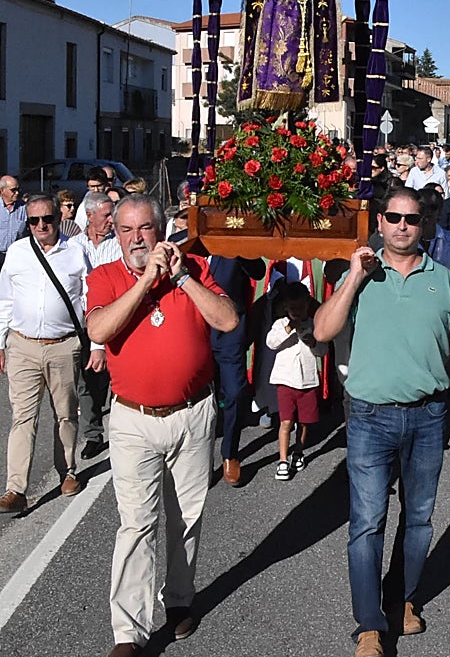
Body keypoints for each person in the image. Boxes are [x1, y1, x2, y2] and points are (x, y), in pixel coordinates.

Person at [312, 186, 450, 657]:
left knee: (418, 519)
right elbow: (322, 330)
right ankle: (369, 625)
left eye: (412, 219)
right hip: (368, 416)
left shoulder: (441, 279)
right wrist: (353, 280)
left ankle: (401, 597)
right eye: (394, 217)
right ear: (379, 222)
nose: (403, 226)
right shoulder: (360, 273)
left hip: (428, 417)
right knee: (367, 522)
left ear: (424, 226)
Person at [86, 194, 238, 656]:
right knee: (135, 524)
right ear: (116, 234)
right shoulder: (105, 276)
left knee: (185, 517)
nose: (137, 239)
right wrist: (145, 281)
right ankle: (128, 632)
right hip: (134, 418)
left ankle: (178, 601)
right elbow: (99, 330)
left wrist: (181, 277)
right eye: (127, 230)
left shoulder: (192, 267)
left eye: (145, 229)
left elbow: (227, 320)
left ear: (162, 229)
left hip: (192, 414)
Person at [0, 195, 100, 515]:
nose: (41, 226)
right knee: (23, 418)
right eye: (34, 221)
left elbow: (91, 299)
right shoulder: (17, 253)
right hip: (23, 345)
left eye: (47, 219)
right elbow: (5, 300)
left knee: (66, 414)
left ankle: (67, 471)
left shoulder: (76, 252)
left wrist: (96, 344)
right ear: (27, 224)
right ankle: (16, 488)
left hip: (63, 345)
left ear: (58, 219)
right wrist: (0, 343)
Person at [71, 191, 123, 458]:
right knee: (89, 382)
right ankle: (93, 434)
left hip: (117, 321)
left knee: (119, 380)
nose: (111, 221)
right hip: (84, 324)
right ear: (89, 216)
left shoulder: (119, 245)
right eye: (105, 216)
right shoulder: (74, 246)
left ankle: (122, 435)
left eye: (113, 215)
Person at [208, 254, 267, 487]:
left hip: (230, 335)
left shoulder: (233, 246)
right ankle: (199, 460)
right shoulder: (184, 242)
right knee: (198, 400)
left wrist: (241, 251)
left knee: (234, 392)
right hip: (196, 333)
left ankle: (230, 453)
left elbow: (258, 271)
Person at [266, 282, 327, 481]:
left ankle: (298, 451)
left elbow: (322, 351)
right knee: (286, 421)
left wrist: (313, 343)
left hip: (307, 381)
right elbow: (271, 343)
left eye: (300, 308)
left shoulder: (314, 324)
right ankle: (282, 460)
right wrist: (288, 328)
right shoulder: (279, 324)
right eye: (292, 309)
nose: (297, 312)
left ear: (307, 304)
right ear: (285, 307)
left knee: (304, 422)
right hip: (285, 380)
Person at [0, 175, 26, 272]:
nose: (17, 193)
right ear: (2, 190)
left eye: (18, 189)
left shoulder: (23, 207)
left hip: (15, 256)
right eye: (13, 190)